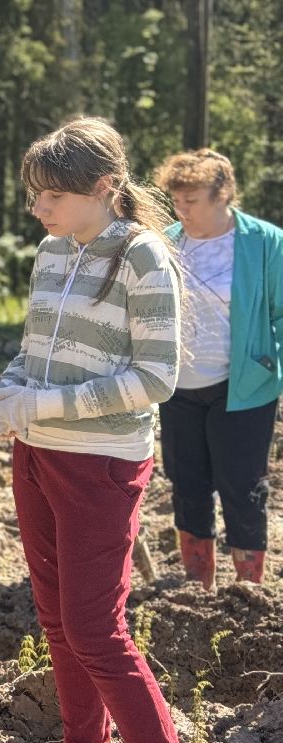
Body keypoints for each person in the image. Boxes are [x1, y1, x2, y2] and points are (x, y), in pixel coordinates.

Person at [0, 116, 200, 743]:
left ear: (103, 188)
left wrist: (43, 404)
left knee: (99, 629)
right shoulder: (51, 252)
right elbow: (37, 355)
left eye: (51, 196)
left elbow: (157, 376)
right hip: (35, 456)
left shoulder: (143, 259)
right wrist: (5, 395)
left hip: (101, 465)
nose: (38, 209)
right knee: (60, 622)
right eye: (37, 195)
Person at [152, 148, 283, 588]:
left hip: (243, 386)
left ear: (223, 194)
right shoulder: (166, 242)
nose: (181, 209)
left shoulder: (264, 243)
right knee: (186, 484)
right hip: (178, 387)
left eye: (192, 200)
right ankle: (197, 585)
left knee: (242, 488)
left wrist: (270, 358)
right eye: (177, 200)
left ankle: (248, 592)